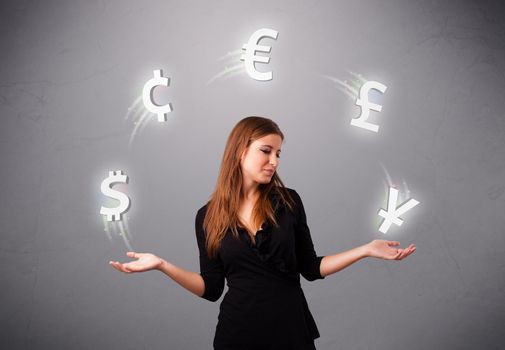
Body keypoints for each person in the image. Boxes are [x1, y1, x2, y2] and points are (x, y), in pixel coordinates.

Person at [109, 116, 416, 350]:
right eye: (266, 151)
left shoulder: (288, 201)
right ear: (240, 151)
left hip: (291, 332)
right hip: (237, 335)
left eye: (279, 153)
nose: (274, 161)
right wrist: (163, 265)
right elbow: (211, 288)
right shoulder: (207, 217)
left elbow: (310, 268)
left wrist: (365, 249)